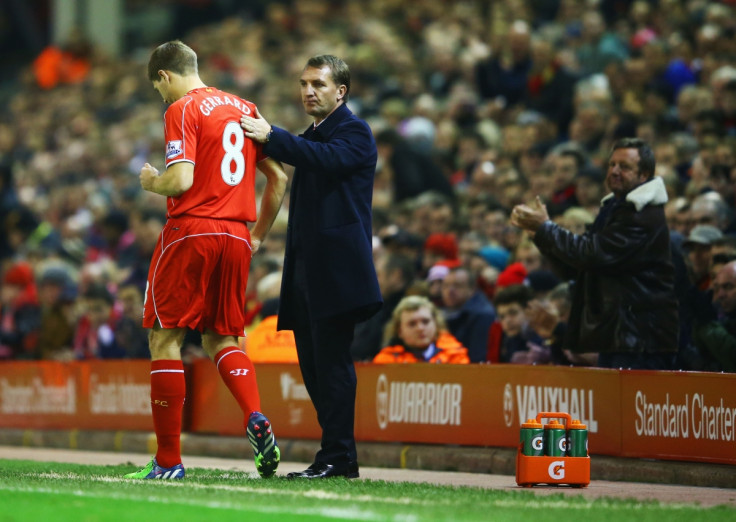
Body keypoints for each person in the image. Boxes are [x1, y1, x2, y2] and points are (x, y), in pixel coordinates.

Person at [126, 41, 287, 480]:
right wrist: (257, 236)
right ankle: (254, 414)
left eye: (159, 88)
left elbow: (181, 179)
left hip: (192, 230)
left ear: (164, 76)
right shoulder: (244, 106)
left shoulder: (182, 108)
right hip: (235, 235)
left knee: (164, 340)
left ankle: (168, 462)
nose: (163, 97)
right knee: (221, 338)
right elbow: (278, 176)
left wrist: (150, 182)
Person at [241, 55, 382, 479]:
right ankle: (335, 454)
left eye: (318, 84)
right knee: (314, 368)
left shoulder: (354, 132)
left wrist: (273, 136)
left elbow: (323, 158)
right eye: (303, 83)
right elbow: (306, 151)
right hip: (308, 271)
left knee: (333, 365)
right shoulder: (313, 134)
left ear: (341, 91)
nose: (308, 91)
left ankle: (340, 457)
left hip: (338, 272)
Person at [510, 138, 679, 369]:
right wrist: (539, 235)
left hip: (639, 341)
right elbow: (581, 266)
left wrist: (547, 229)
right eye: (612, 165)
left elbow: (592, 254)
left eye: (625, 167)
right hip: (618, 337)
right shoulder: (614, 208)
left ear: (644, 175)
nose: (615, 171)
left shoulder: (641, 214)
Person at [373, 295, 469, 364]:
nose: (420, 328)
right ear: (399, 331)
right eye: (412, 324)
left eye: (425, 321)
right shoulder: (386, 360)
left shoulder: (455, 356)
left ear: (436, 324)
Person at [440, 265, 495, 362]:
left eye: (457, 286)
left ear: (472, 289)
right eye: (446, 286)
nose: (450, 291)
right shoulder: (447, 311)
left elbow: (477, 358)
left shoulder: (482, 315)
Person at [691, 260, 736, 372]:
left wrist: (708, 325)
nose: (720, 295)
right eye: (717, 288)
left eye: (728, 287)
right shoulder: (726, 320)